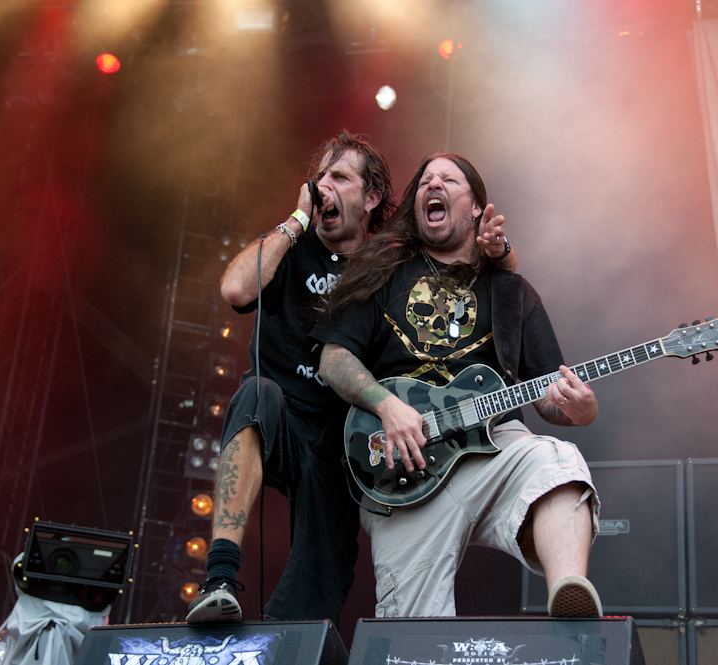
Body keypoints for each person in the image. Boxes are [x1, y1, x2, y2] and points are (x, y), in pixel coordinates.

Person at [186, 133, 518, 625]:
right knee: (257, 394)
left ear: (371, 197)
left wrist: (502, 252)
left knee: (318, 589)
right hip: (283, 418)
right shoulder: (289, 247)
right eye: (319, 176)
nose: (324, 187)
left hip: (347, 443)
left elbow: (470, 266)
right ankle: (219, 577)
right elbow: (235, 289)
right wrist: (295, 220)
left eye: (339, 177)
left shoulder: (388, 263)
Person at [313, 152, 602, 618]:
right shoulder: (384, 273)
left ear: (476, 210)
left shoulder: (512, 291)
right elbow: (334, 358)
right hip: (402, 467)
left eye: (449, 179)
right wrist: (387, 406)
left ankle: (569, 594)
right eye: (426, 179)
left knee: (558, 463)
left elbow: (552, 395)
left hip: (493, 449)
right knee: (412, 635)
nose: (433, 184)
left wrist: (579, 410)